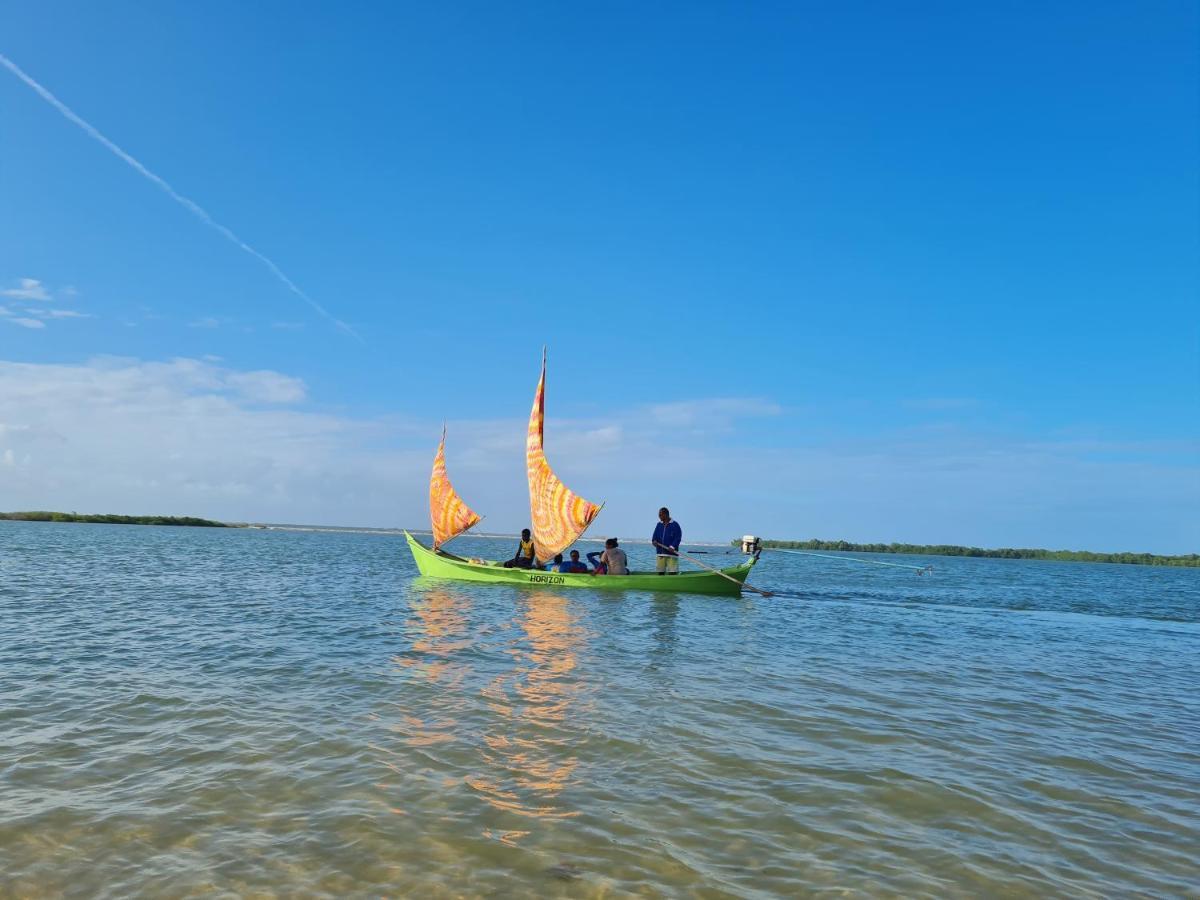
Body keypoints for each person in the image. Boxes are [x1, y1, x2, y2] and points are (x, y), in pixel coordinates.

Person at [652, 507, 682, 575]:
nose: (659, 517)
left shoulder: (675, 524)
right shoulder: (659, 524)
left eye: (660, 515)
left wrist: (673, 546)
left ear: (666, 514)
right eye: (659, 515)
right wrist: (654, 542)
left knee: (672, 573)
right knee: (660, 573)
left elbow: (678, 537)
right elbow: (654, 537)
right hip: (660, 554)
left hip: (672, 554)